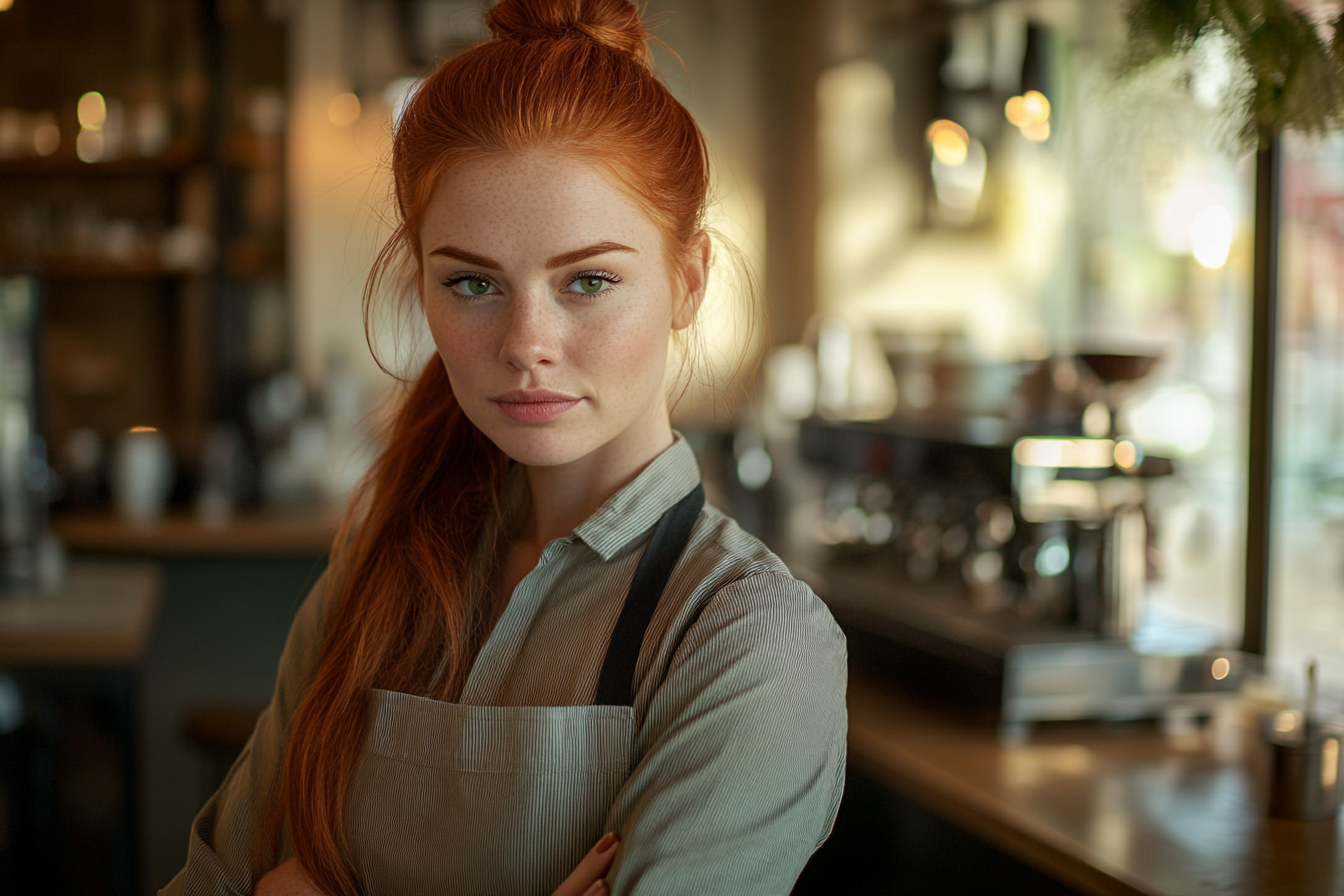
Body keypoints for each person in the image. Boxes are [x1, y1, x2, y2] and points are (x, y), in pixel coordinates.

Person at [161, 1, 846, 894]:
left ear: (687, 280)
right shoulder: (377, 568)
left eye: (589, 280)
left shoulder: (748, 641)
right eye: (473, 282)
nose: (527, 341)